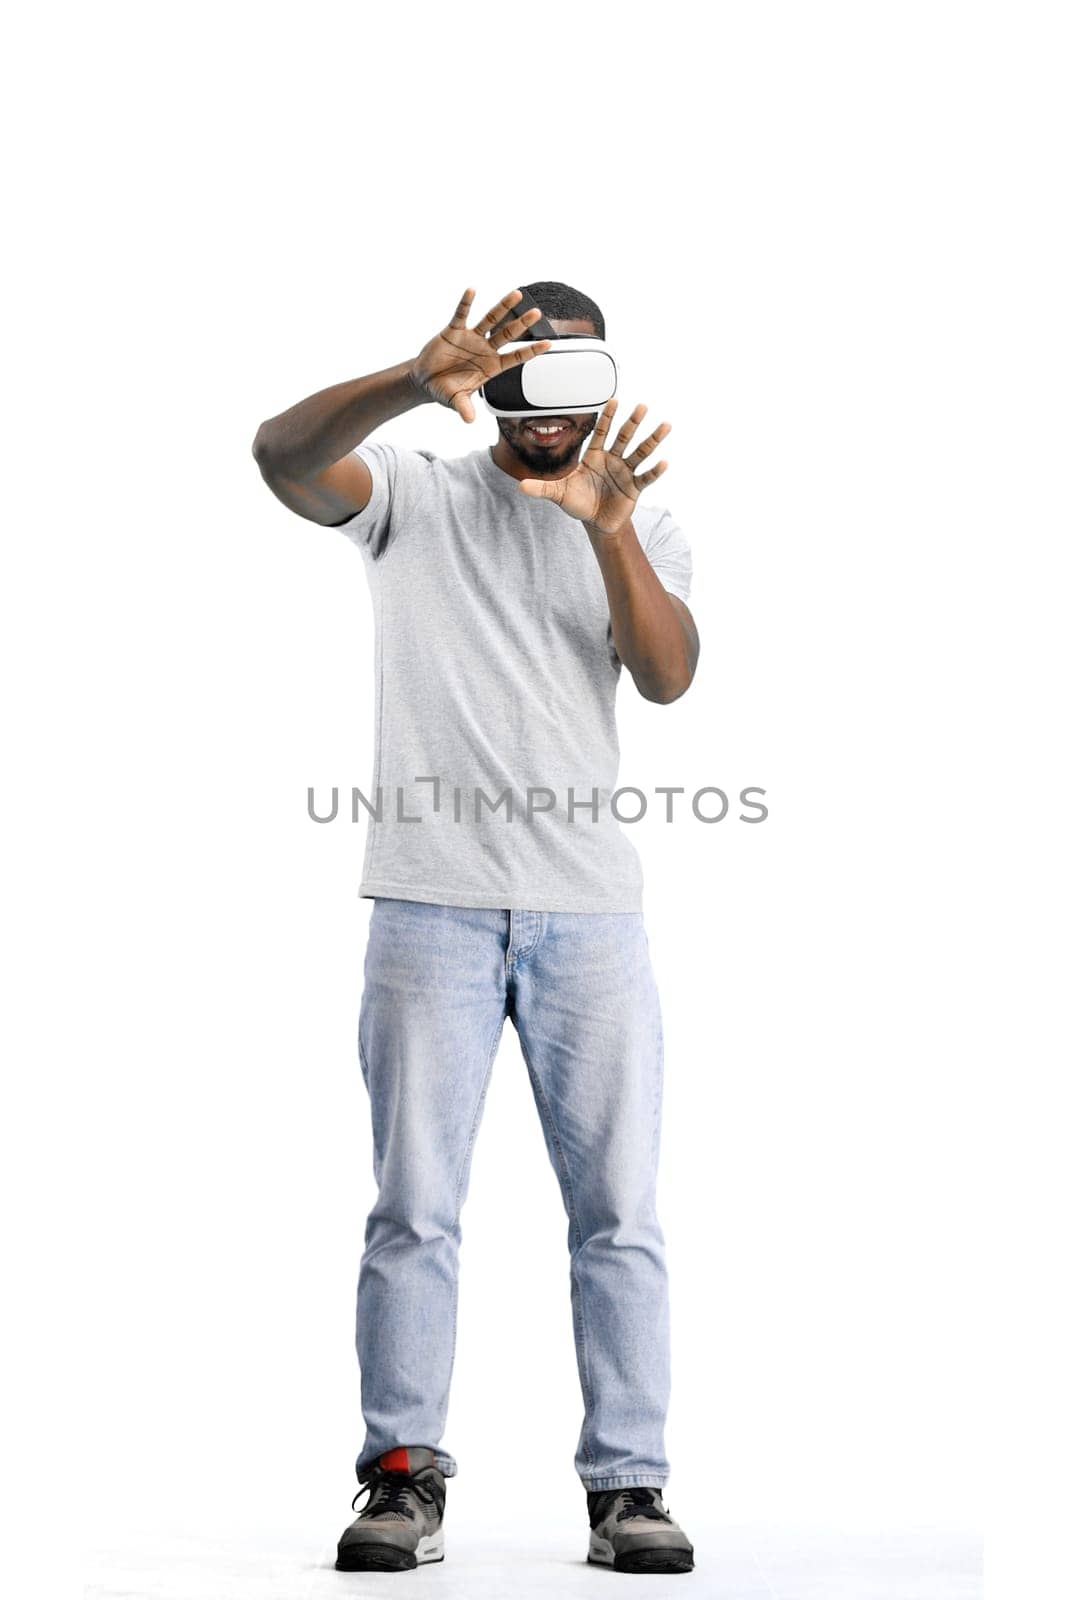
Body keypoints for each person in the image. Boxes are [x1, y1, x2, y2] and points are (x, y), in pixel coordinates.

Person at [252, 282, 700, 1575]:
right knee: (415, 1207)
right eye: (522, 369)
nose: (548, 398)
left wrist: (608, 531)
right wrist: (409, 371)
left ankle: (628, 1487)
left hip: (590, 920)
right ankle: (400, 1477)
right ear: (491, 380)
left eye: (574, 374)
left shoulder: (644, 517)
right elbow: (279, 458)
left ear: (601, 389)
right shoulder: (415, 496)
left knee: (619, 1211)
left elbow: (668, 676)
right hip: (429, 910)